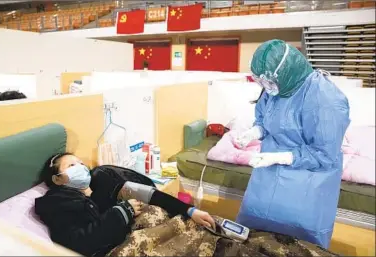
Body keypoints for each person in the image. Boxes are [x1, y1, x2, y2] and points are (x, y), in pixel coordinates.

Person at [233, 39, 350, 248]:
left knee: (299, 246)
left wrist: (280, 157)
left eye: (268, 83)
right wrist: (254, 132)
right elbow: (267, 119)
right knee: (254, 237)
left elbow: (324, 154)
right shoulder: (275, 90)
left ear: (286, 73)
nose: (265, 88)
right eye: (260, 83)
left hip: (306, 184)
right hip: (267, 178)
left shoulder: (326, 99)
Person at [34, 153, 215, 257]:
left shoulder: (102, 183)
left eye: (81, 163)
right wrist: (121, 212)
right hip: (120, 248)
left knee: (203, 227)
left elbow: (150, 195)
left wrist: (190, 210)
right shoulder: (58, 203)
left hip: (151, 228)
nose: (81, 167)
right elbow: (78, 243)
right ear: (57, 179)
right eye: (72, 165)